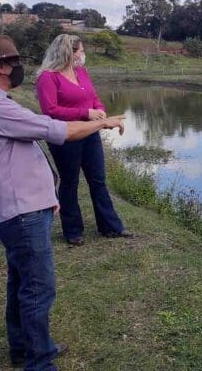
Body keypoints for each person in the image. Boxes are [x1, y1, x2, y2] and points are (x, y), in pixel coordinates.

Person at [0, 35, 125, 370]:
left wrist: (44, 195)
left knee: (21, 280)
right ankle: (40, 361)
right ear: (2, 66)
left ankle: (25, 347)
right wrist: (101, 122)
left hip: (22, 205)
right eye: (14, 62)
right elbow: (53, 129)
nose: (19, 68)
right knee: (38, 287)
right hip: (21, 210)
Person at [35, 34, 132, 246]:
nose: (83, 55)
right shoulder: (48, 77)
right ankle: (73, 231)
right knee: (70, 182)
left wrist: (100, 111)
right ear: (68, 52)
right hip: (66, 135)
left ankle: (110, 227)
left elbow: (94, 98)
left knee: (98, 180)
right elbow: (50, 110)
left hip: (90, 134)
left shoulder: (81, 72)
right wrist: (84, 113)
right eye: (80, 51)